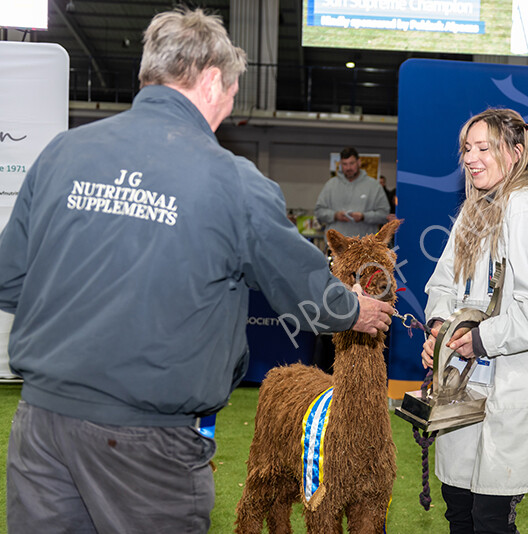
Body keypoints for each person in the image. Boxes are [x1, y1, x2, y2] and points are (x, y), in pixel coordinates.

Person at [0, 8, 393, 533]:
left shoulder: (62, 153)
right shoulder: (234, 181)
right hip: (147, 441)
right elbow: (302, 286)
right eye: (232, 91)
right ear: (211, 80)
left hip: (41, 428)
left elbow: (9, 278)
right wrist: (356, 309)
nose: (230, 106)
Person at [421, 108, 528, 533]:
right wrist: (441, 328)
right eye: (466, 148)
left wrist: (480, 339)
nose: (470, 158)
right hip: (465, 388)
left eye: (483, 148)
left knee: (490, 519)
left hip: (512, 389)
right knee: (458, 506)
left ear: (515, 153)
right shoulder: (474, 212)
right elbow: (442, 285)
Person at [314, 147, 390, 237]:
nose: (348, 168)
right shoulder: (330, 185)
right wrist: (335, 215)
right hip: (336, 247)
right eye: (345, 164)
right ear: (340, 165)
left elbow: (384, 215)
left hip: (363, 247)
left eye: (351, 163)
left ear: (359, 162)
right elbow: (319, 212)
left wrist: (364, 217)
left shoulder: (374, 186)